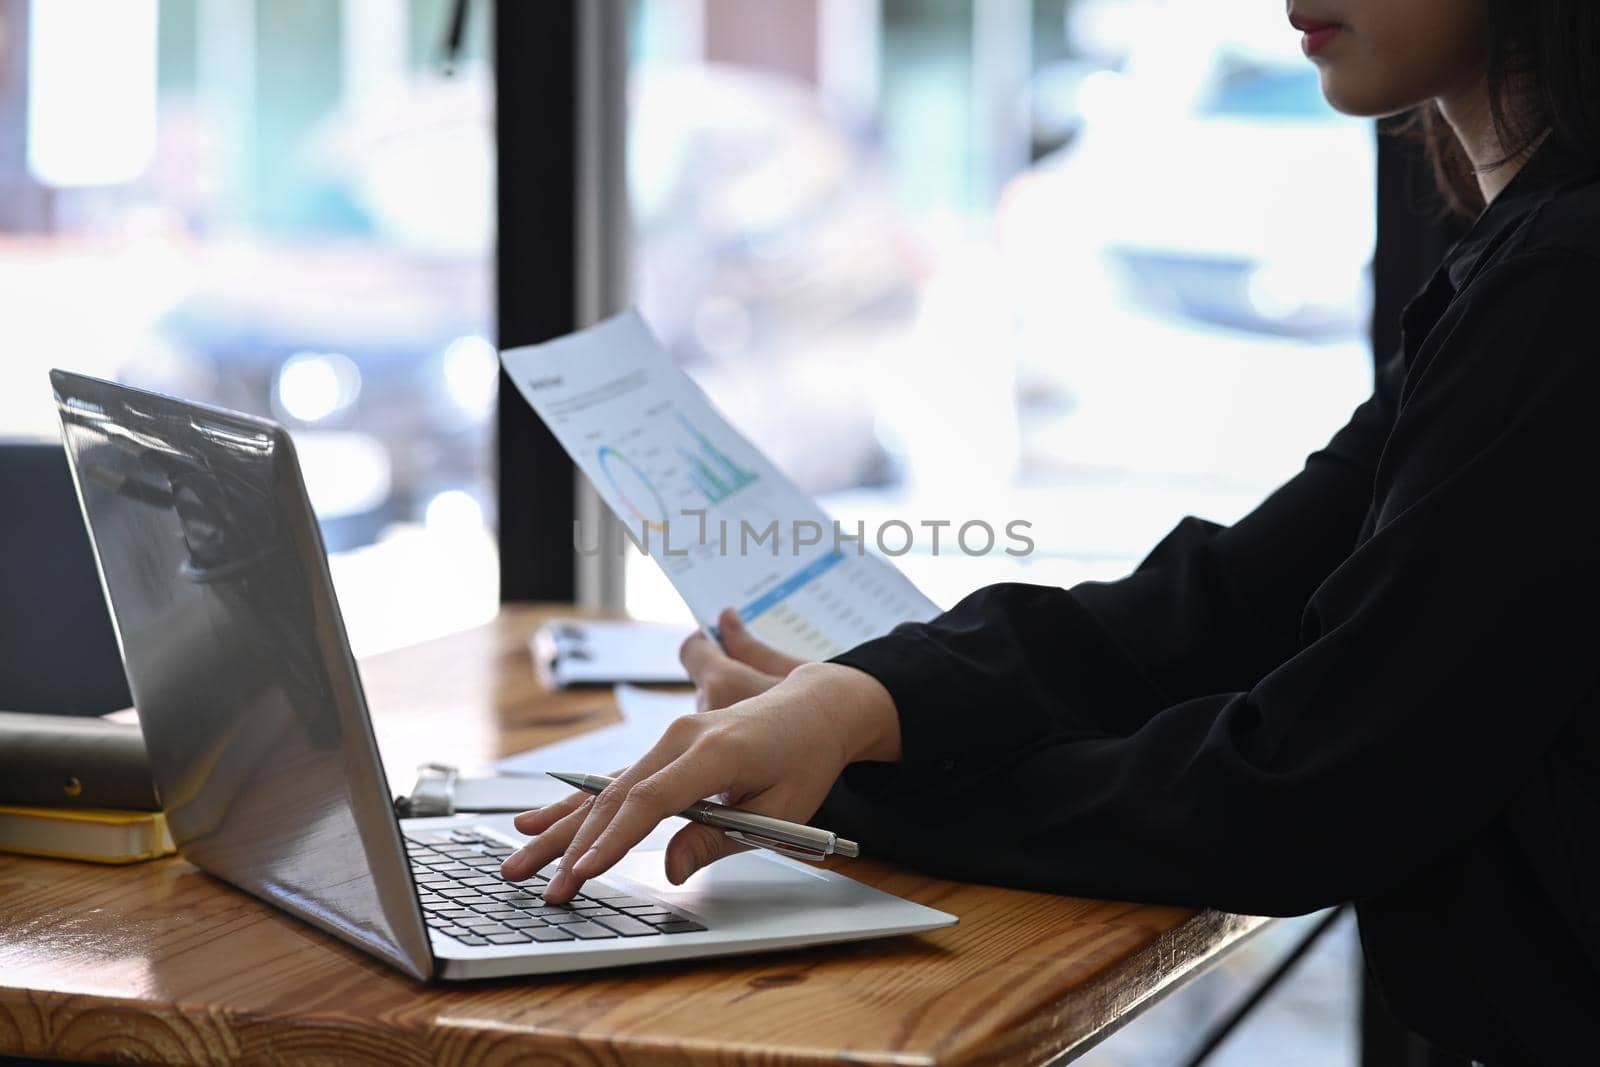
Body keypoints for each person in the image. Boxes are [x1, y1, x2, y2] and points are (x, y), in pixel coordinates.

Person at [501, 2, 1600, 1061]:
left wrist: (859, 788)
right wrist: (857, 703)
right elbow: (1219, 602)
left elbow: (1311, 787)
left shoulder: (1563, 280)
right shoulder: (1517, 265)